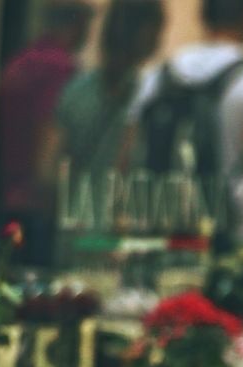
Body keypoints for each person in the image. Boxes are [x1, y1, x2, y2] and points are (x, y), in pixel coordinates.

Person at [129, 0, 243, 244]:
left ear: (203, 16)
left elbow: (128, 159)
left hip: (164, 235)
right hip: (231, 237)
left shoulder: (156, 76)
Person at [46, 0, 166, 233]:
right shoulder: (150, 96)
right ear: (148, 34)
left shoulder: (75, 90)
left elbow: (47, 171)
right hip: (122, 236)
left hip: (74, 230)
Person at [0, 0, 95, 265]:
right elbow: (47, 137)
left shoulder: (19, 63)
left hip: (5, 196)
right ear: (78, 24)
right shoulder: (60, 69)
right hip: (39, 204)